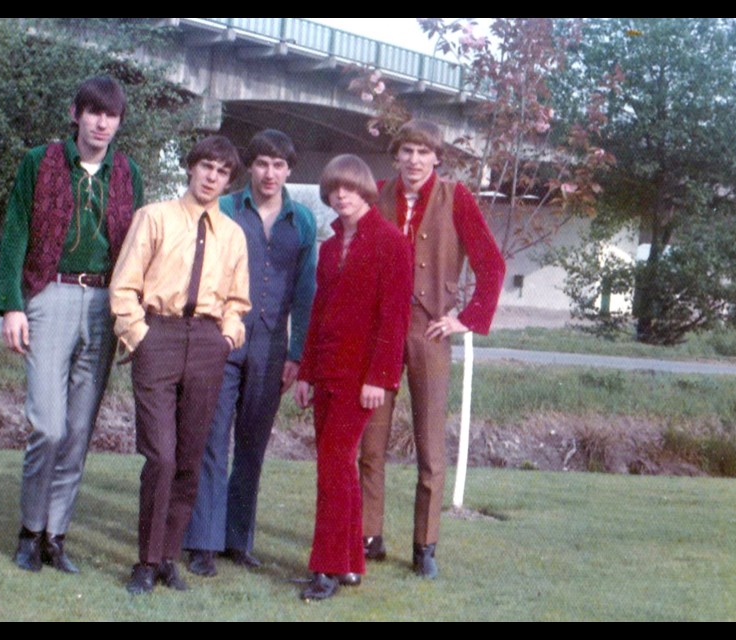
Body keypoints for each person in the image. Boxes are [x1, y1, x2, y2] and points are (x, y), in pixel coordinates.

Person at [0, 75, 143, 575]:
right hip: (50, 295)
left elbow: (136, 250)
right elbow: (15, 230)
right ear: (76, 113)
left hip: (104, 301)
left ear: (119, 122)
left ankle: (56, 536)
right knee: (48, 426)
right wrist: (12, 304)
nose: (102, 122)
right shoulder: (41, 162)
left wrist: (129, 315)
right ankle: (29, 531)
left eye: (112, 115)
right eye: (94, 112)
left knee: (79, 430)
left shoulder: (127, 173)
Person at [358, 119, 506, 579]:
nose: (415, 161)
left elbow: (492, 266)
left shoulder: (455, 197)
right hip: (379, 332)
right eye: (407, 151)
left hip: (430, 331)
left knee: (430, 446)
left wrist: (465, 319)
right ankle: (368, 536)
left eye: (423, 152)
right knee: (371, 442)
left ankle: (425, 546)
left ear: (436, 157)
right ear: (396, 155)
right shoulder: (376, 194)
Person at [110, 135, 251, 595]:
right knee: (162, 456)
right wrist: (140, 337)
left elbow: (237, 300)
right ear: (191, 168)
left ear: (229, 180)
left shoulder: (232, 234)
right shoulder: (155, 217)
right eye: (206, 166)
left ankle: (169, 556)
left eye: (222, 171)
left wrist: (227, 335)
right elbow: (124, 285)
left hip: (208, 343)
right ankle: (146, 561)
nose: (212, 177)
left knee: (190, 458)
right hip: (159, 336)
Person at [182, 130, 317, 576]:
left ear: (289, 171)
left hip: (272, 345)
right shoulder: (224, 208)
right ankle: (203, 540)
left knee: (253, 446)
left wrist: (297, 354)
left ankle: (239, 539)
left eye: (279, 165)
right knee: (211, 438)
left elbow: (304, 292)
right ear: (250, 167)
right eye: (262, 163)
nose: (270, 173)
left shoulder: (302, 221)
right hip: (223, 336)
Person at [294, 154, 413, 601]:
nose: (340, 196)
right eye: (333, 189)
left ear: (365, 190)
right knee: (339, 467)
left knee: (333, 465)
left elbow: (393, 319)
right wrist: (305, 372)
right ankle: (350, 565)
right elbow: (318, 311)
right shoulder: (327, 246)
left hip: (359, 376)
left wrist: (379, 378)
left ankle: (325, 567)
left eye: (349, 188)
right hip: (323, 370)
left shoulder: (391, 243)